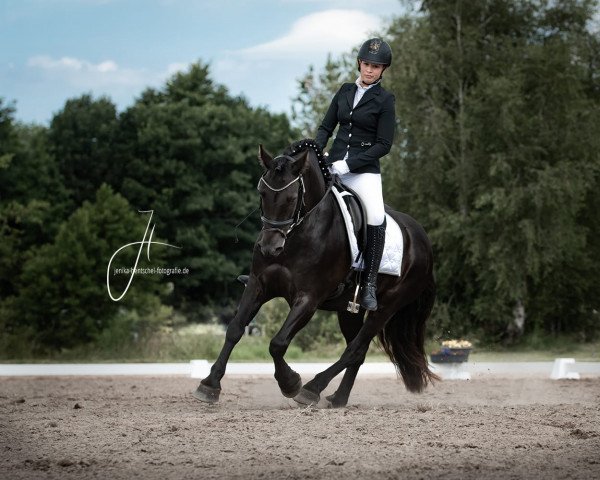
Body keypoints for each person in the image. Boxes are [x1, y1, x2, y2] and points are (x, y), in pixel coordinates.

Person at [315, 37, 395, 311]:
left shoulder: (385, 99)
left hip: (363, 172)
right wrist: (317, 152)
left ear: (383, 69)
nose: (370, 69)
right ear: (359, 63)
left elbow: (384, 145)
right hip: (332, 164)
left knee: (375, 215)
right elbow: (326, 127)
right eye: (366, 64)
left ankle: (370, 283)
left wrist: (349, 165)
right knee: (297, 197)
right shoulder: (345, 91)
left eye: (376, 66)